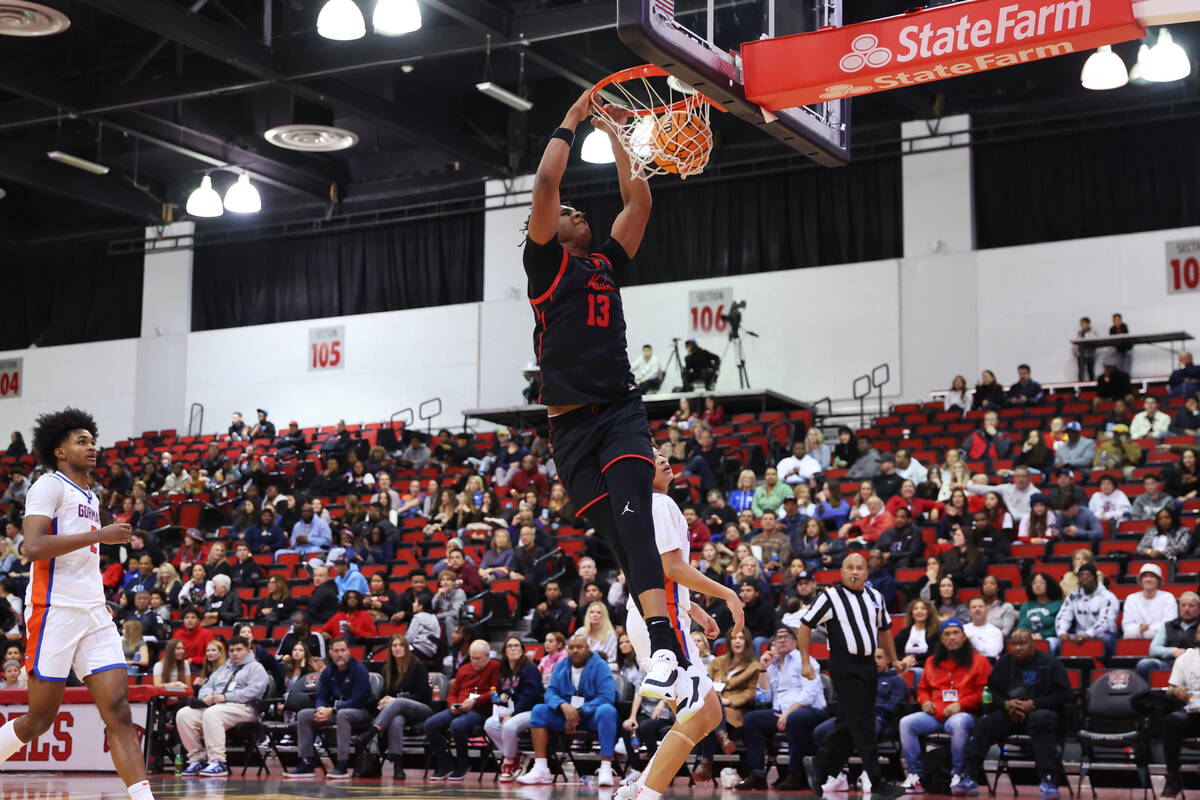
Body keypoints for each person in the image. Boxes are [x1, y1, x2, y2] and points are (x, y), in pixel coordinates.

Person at [522, 90, 693, 706]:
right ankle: (664, 645)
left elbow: (638, 199)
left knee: (637, 522)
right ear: (547, 231)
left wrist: (620, 131)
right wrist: (570, 120)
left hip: (620, 411)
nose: (575, 212)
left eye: (576, 209)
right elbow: (545, 181)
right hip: (569, 430)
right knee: (623, 542)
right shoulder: (546, 269)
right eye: (566, 212)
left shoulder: (605, 263)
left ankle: (664, 649)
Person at [0, 410, 156, 800]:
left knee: (118, 710)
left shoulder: (90, 495)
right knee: (39, 719)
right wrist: (102, 534)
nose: (92, 447)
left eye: (92, 440)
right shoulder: (47, 486)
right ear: (59, 450)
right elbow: (31, 547)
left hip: (93, 613)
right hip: (54, 611)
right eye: (81, 441)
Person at [613, 448, 745, 800]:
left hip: (649, 613)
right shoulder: (661, 504)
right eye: (652, 457)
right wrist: (727, 594)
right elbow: (673, 568)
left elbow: (659, 571)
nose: (662, 459)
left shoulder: (642, 508)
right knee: (700, 715)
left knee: (701, 712)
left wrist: (696, 611)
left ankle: (639, 786)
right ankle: (646, 793)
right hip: (662, 620)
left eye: (662, 453)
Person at [798, 552, 906, 800]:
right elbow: (805, 626)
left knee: (849, 723)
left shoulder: (875, 596)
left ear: (867, 573)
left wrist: (894, 659)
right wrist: (805, 661)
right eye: (850, 568)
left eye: (860, 568)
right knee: (865, 721)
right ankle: (877, 781)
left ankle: (820, 765)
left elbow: (886, 630)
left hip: (869, 665)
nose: (855, 572)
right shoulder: (831, 597)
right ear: (842, 571)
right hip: (844, 664)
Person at [959, 630, 1071, 799]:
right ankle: (969, 776)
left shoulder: (1050, 663)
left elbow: (1064, 694)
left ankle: (1049, 780)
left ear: (1033, 644)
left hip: (1041, 714)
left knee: (1041, 719)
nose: (1018, 648)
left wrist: (1033, 704)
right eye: (1014, 644)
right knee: (985, 723)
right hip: (1010, 714)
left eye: (1023, 643)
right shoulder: (1004, 663)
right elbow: (992, 692)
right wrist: (1006, 704)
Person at [897, 619, 992, 793]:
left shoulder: (980, 661)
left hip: (965, 714)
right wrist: (924, 701)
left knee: (957, 723)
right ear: (941, 639)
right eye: (947, 634)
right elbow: (922, 689)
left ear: (964, 637)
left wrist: (961, 703)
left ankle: (959, 773)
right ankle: (915, 774)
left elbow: (984, 692)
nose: (952, 637)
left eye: (956, 633)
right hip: (935, 715)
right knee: (907, 722)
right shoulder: (932, 661)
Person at [518, 632, 619, 785]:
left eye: (579, 647)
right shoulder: (561, 665)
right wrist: (562, 706)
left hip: (591, 716)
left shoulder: (600, 665)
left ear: (588, 648)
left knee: (607, 711)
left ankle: (605, 768)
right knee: (539, 710)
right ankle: (541, 769)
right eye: (571, 647)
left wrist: (579, 712)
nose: (575, 650)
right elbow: (550, 692)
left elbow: (607, 696)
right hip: (565, 715)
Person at [738, 627, 827, 790]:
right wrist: (763, 669)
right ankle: (757, 773)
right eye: (778, 638)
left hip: (810, 711)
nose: (782, 640)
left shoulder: (805, 660)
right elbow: (763, 698)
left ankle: (795, 774)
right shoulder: (773, 665)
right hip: (782, 712)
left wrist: (788, 713)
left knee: (795, 719)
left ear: (795, 642)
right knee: (752, 719)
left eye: (786, 636)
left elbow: (810, 694)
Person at [815, 649, 911, 794]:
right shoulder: (861, 678)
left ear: (888, 661)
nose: (876, 661)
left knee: (866, 730)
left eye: (879, 657)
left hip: (877, 717)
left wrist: (866, 710)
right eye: (873, 658)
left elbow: (892, 707)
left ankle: (869, 773)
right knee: (820, 731)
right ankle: (837, 774)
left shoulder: (896, 680)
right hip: (852, 716)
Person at [176, 636, 271, 777]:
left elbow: (253, 692)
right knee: (184, 714)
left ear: (248, 650)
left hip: (245, 708)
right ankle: (198, 759)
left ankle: (218, 761)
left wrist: (226, 697)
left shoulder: (256, 667)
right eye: (232, 650)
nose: (235, 653)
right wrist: (206, 697)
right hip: (218, 707)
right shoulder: (223, 668)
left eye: (239, 650)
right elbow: (207, 686)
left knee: (213, 713)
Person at [285, 637, 373, 779]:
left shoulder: (359, 669)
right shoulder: (328, 671)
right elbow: (322, 696)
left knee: (342, 714)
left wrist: (332, 710)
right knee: (304, 715)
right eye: (336, 651)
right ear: (331, 653)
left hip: (361, 712)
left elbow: (357, 700)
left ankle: (342, 763)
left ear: (349, 652)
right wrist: (320, 709)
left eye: (343, 650)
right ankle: (307, 761)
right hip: (335, 711)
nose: (340, 654)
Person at [357, 634, 431, 780]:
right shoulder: (388, 668)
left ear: (406, 647)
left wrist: (396, 699)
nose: (397, 649)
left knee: (398, 702)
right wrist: (384, 700)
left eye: (400, 645)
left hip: (421, 709)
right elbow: (387, 694)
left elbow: (423, 695)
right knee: (396, 721)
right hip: (400, 712)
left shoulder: (417, 666)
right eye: (394, 646)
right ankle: (398, 766)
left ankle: (370, 732)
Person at [424, 639, 498, 780]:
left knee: (457, 725)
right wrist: (452, 705)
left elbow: (495, 693)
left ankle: (463, 763)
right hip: (459, 707)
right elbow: (453, 692)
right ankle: (446, 763)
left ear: (488, 656)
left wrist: (475, 701)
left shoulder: (495, 667)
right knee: (430, 724)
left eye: (479, 658)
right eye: (472, 658)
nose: (475, 662)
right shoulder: (464, 669)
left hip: (480, 710)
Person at [485, 636, 544, 781]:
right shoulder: (504, 670)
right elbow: (504, 691)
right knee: (489, 725)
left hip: (532, 711)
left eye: (517, 646)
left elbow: (530, 696)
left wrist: (513, 714)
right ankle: (518, 755)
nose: (513, 649)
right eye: (510, 646)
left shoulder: (530, 668)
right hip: (511, 711)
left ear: (522, 650)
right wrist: (502, 697)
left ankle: (509, 761)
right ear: (505, 651)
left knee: (509, 726)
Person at [1161, 625, 1200, 798]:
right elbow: (1170, 690)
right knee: (1172, 721)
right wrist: (1176, 692)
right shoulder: (1185, 659)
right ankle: (1173, 778)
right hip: (1194, 713)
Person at [1054, 563, 1118, 657]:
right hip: (1079, 634)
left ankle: (1108, 665)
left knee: (1107, 640)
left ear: (1095, 578)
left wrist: (1088, 634)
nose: (1084, 577)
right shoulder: (1073, 596)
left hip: (1102, 634)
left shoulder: (1108, 597)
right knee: (1058, 642)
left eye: (1087, 575)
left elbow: (1105, 621)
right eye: (1081, 575)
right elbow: (1063, 616)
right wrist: (1062, 632)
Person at [1137, 591, 1200, 682]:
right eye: (1183, 605)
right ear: (1179, 608)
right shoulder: (1168, 626)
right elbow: (1153, 649)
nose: (1186, 609)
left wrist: (1189, 653)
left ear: (1198, 609)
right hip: (1170, 664)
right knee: (1144, 664)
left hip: (1195, 664)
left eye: (1191, 606)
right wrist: (1173, 651)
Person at [1122, 564, 1178, 643]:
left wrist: (1149, 627)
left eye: (1152, 576)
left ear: (1158, 580)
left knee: (1151, 634)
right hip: (1137, 635)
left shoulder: (1168, 597)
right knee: (1130, 634)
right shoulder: (1131, 598)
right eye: (1145, 576)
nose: (1148, 579)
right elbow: (1127, 625)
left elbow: (1169, 623)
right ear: (1141, 580)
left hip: (1159, 636)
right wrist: (1140, 628)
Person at [895, 599, 939, 679]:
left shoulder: (935, 633)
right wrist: (903, 660)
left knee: (917, 672)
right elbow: (895, 651)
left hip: (925, 666)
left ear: (928, 612)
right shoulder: (904, 632)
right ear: (911, 614)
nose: (919, 611)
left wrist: (914, 659)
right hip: (904, 665)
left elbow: (935, 653)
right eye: (916, 609)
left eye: (923, 608)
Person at [1074, 317, 1097, 381]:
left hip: (1089, 354)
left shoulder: (1092, 332)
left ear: (1088, 324)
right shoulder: (1080, 333)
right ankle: (1080, 383)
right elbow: (1076, 343)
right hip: (1081, 354)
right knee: (1081, 370)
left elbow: (1094, 341)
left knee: (1090, 370)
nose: (1083, 325)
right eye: (1081, 324)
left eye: (1084, 323)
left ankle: (1092, 383)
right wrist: (1076, 351)